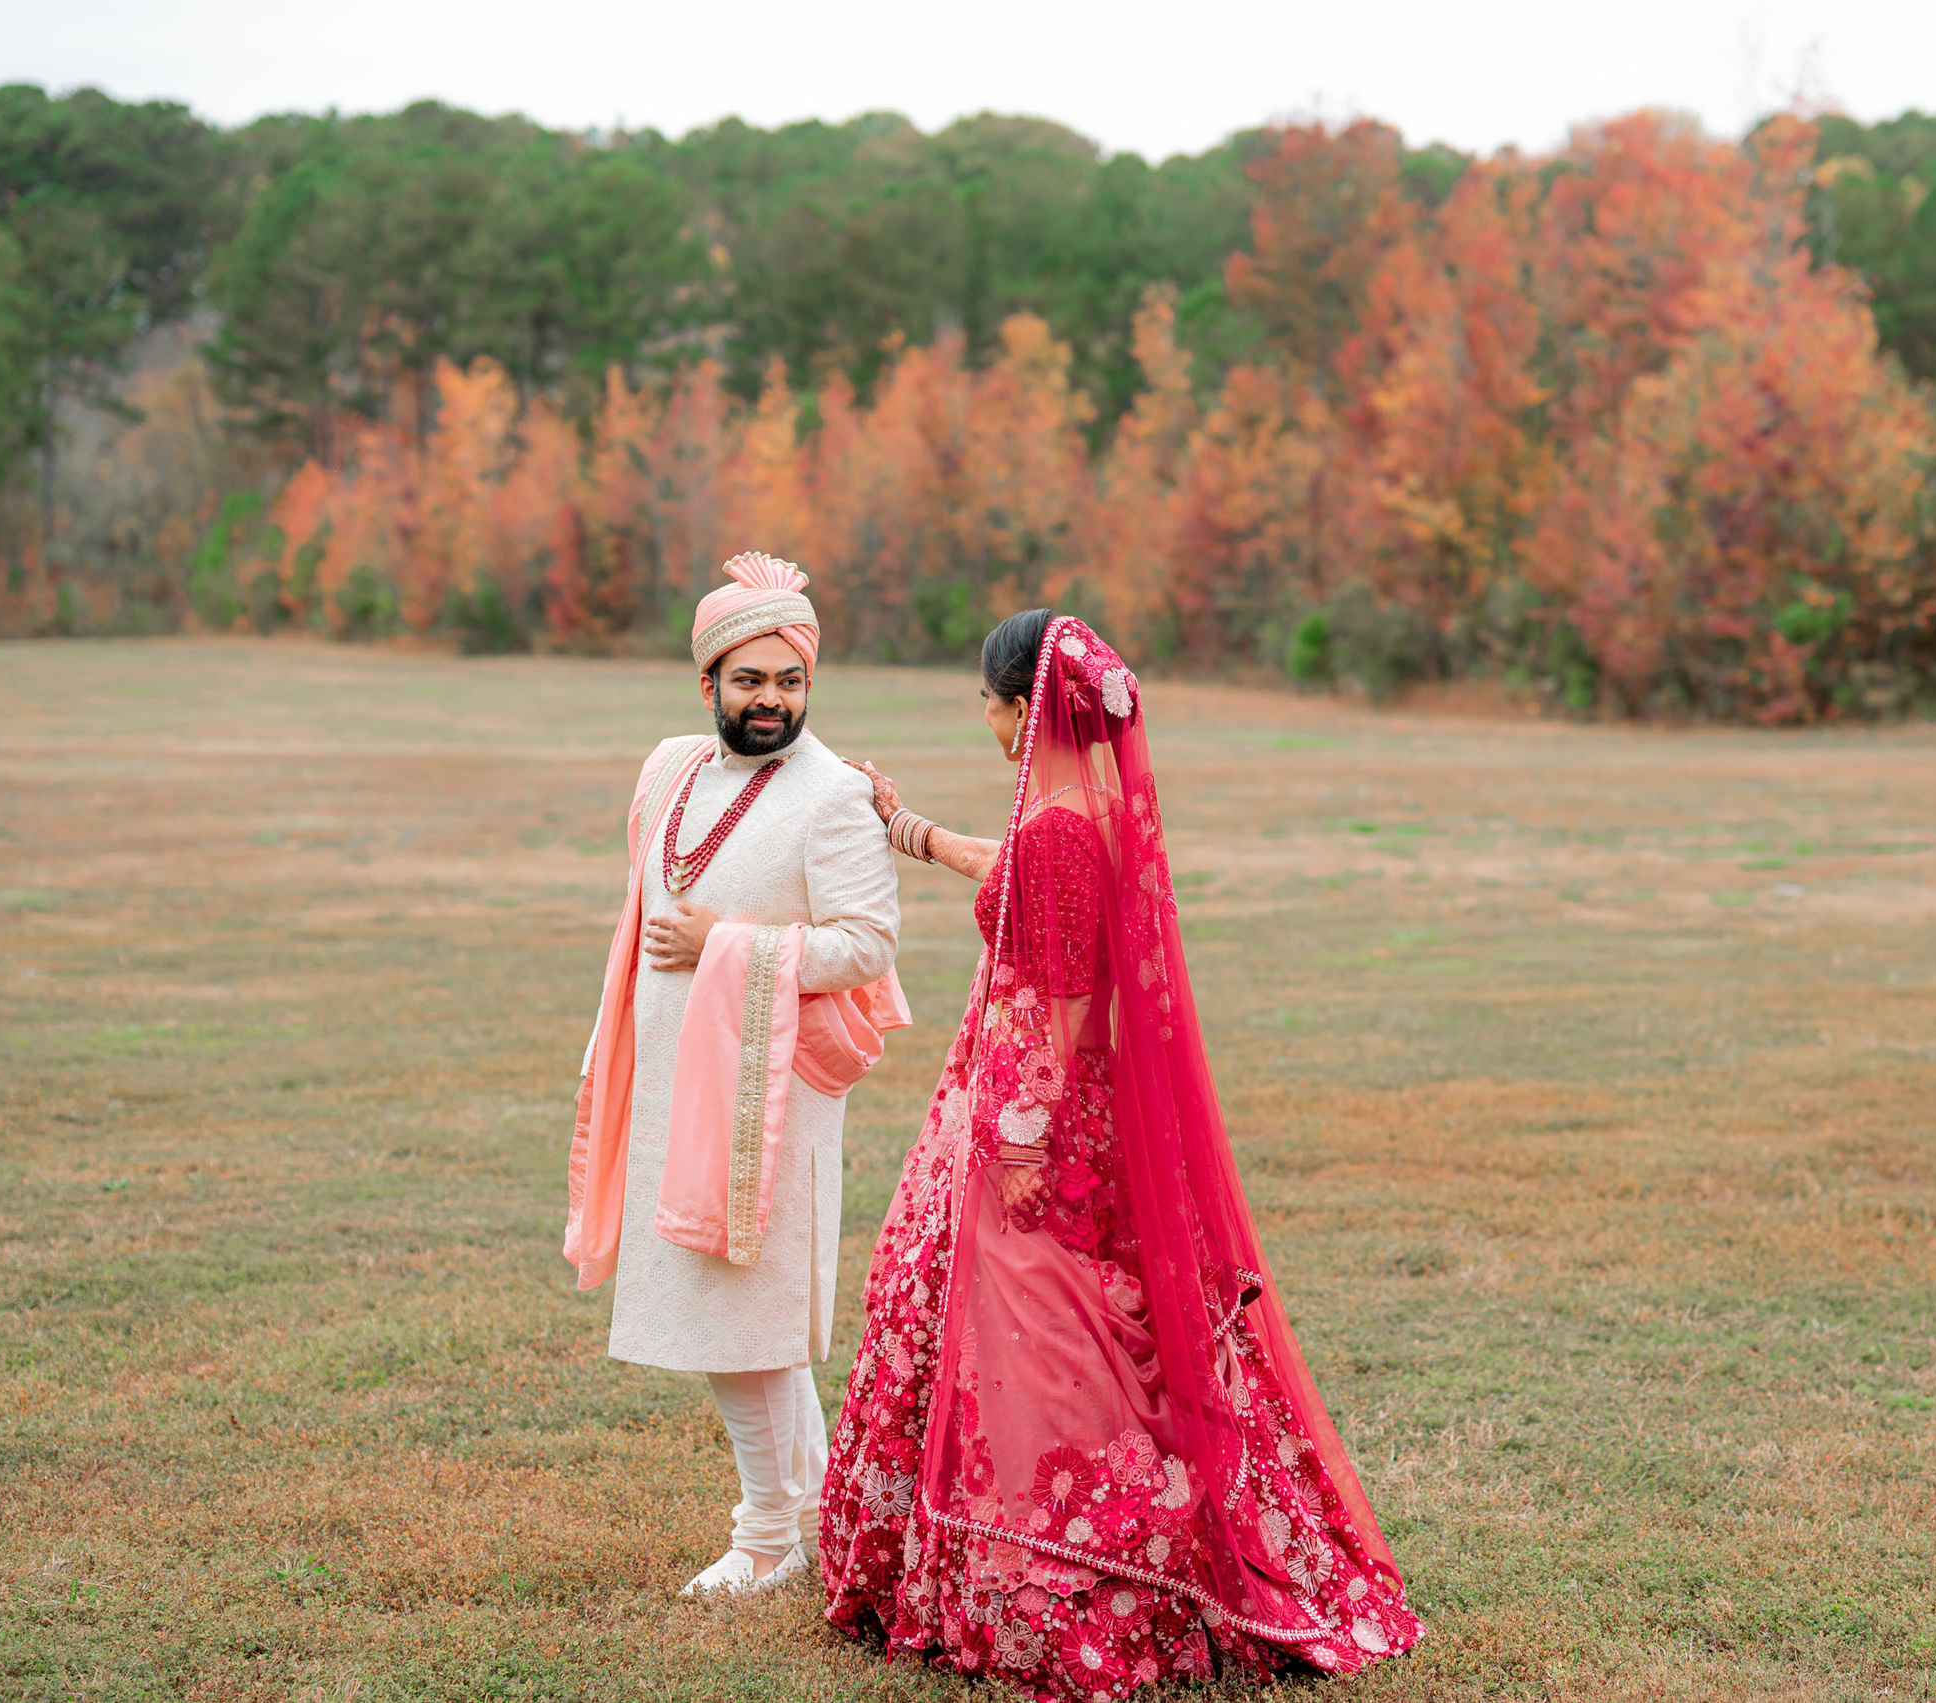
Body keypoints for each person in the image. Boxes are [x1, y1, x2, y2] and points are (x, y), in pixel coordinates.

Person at [820, 610, 1420, 1698]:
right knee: (1100, 1324)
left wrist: (1018, 1139)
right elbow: (1016, 875)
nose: (986, 716)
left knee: (1036, 1339)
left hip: (1034, 1116)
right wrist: (905, 827)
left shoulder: (1056, 828)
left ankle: (1068, 1572)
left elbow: (1064, 1004)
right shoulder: (1087, 810)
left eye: (988, 700)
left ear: (1019, 708)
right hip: (1069, 1107)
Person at [564, 552, 909, 1599]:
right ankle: (806, 1508)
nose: (772, 700)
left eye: (791, 681)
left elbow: (867, 941)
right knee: (732, 1310)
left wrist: (729, 942)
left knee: (743, 1314)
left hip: (768, 1089)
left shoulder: (831, 795)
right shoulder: (669, 767)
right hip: (675, 1075)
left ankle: (765, 1535)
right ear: (707, 680)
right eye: (750, 680)